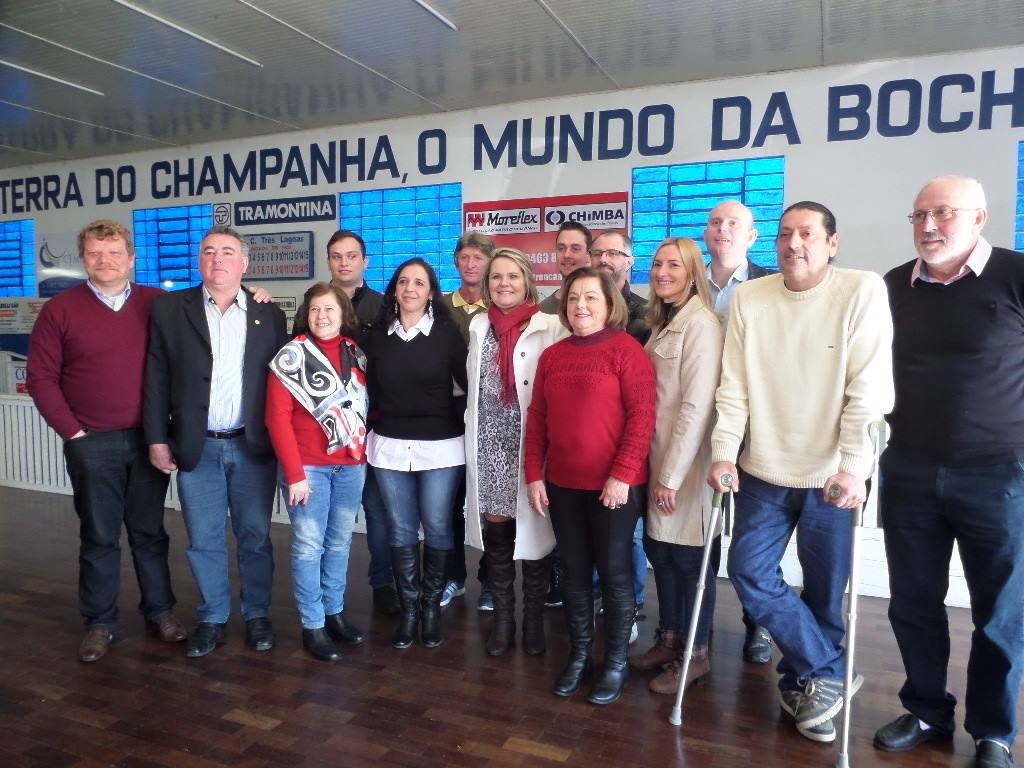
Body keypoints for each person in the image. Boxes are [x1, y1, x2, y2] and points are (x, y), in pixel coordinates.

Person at [708, 201, 893, 742]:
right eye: (786, 234)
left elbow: (869, 389)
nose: (794, 244)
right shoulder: (751, 298)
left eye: (808, 234)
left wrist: (855, 467)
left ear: (832, 243)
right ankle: (829, 671)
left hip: (832, 475)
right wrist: (723, 451)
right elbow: (734, 385)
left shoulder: (861, 290)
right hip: (763, 469)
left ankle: (806, 687)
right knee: (748, 571)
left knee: (824, 593)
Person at [874, 175, 1024, 768]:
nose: (929, 226)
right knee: (913, 602)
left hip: (999, 475)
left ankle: (994, 732)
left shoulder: (1016, 276)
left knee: (1000, 612)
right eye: (919, 215)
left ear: (979, 218)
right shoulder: (892, 286)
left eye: (943, 213)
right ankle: (926, 710)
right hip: (909, 470)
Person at [27, 219, 186, 663]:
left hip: (149, 440)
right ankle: (100, 622)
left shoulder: (158, 303)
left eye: (114, 252)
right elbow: (41, 379)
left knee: (150, 533)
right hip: (91, 442)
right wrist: (74, 434)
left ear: (131, 259)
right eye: (96, 253)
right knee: (99, 536)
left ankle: (160, 611)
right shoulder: (60, 310)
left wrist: (255, 294)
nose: (105, 260)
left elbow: (205, 318)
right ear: (83, 260)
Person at [144, 225, 288, 658]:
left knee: (255, 536)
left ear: (244, 263)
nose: (217, 258)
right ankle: (213, 617)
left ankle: (257, 614)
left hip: (252, 445)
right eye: (209, 251)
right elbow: (156, 377)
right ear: (199, 261)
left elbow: (283, 383)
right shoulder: (171, 309)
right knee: (203, 538)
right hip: (197, 446)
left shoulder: (269, 314)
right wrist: (156, 438)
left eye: (227, 251)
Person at [525, 267, 656, 705]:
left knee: (616, 575)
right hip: (563, 484)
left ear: (609, 304)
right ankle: (580, 655)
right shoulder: (553, 356)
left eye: (591, 298)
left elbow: (642, 417)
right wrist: (533, 473)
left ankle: (615, 662)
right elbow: (537, 420)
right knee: (575, 573)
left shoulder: (626, 350)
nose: (580, 305)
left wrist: (623, 474)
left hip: (614, 487)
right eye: (573, 298)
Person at [628, 237, 724, 696]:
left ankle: (695, 654)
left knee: (689, 561)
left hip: (685, 467)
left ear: (692, 273)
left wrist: (670, 477)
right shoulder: (665, 321)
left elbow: (696, 407)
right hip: (658, 458)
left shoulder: (701, 324)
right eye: (657, 264)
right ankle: (669, 639)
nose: (662, 272)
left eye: (674, 265)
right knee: (661, 553)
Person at [464, 248, 567, 656]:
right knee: (499, 535)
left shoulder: (551, 326)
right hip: (489, 444)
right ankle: (504, 620)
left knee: (537, 535)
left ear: (527, 281)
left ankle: (533, 620)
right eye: (496, 277)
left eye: (512, 276)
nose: (503, 283)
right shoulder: (478, 326)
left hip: (532, 446)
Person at [364, 257, 468, 649]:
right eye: (404, 281)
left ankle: (430, 608)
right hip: (389, 445)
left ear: (431, 292)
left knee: (438, 525)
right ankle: (409, 611)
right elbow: (366, 390)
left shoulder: (447, 333)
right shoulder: (376, 336)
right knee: (401, 528)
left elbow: (467, 385)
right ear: (394, 289)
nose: (410, 288)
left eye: (419, 283)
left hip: (441, 446)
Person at [295, 230, 398, 617]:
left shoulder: (383, 306)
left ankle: (382, 584)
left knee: (377, 512)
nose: (344, 262)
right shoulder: (313, 303)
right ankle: (319, 608)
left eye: (352, 256)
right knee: (317, 533)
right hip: (319, 438)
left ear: (364, 261)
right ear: (328, 261)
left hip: (369, 430)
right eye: (336, 256)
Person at [266, 282, 369, 663]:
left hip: (350, 466)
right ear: (305, 315)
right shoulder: (291, 356)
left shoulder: (355, 353)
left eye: (329, 309)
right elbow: (276, 419)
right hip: (308, 469)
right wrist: (294, 474)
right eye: (314, 310)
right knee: (310, 547)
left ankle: (333, 613)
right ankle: (312, 625)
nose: (321, 316)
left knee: (339, 543)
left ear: (343, 314)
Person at [703, 199, 775, 664]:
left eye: (734, 223)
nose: (722, 229)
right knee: (701, 532)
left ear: (751, 236)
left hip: (755, 429)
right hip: (698, 424)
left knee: (754, 538)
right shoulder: (687, 283)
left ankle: (758, 624)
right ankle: (697, 623)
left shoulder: (772, 285)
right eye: (715, 222)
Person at [440, 231, 496, 611]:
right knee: (449, 503)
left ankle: (491, 581)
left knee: (491, 505)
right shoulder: (441, 306)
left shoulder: (502, 303)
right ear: (456, 262)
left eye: (478, 257)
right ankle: (453, 577)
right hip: (447, 419)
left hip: (490, 420)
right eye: (465, 257)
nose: (471, 264)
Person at [590, 230, 649, 344]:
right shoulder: (579, 307)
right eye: (597, 253)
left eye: (612, 253)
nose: (603, 259)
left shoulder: (646, 313)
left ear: (629, 263)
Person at [537, 221, 592, 315]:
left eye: (575, 249)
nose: (566, 255)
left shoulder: (605, 305)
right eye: (561, 248)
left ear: (588, 255)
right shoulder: (542, 311)